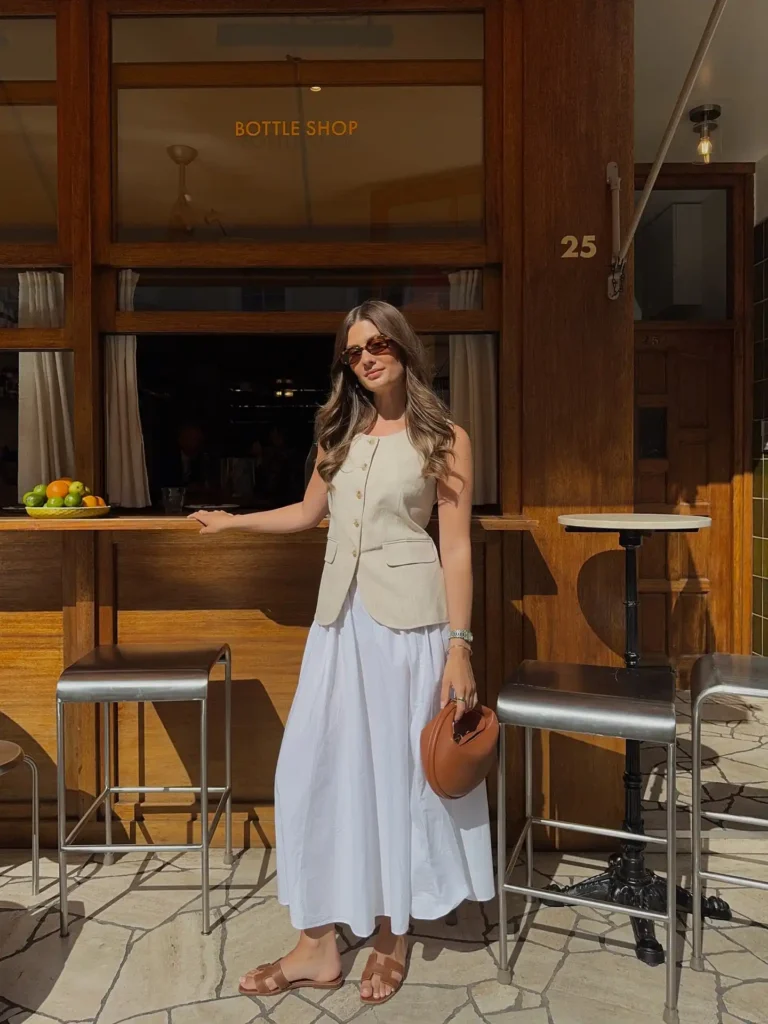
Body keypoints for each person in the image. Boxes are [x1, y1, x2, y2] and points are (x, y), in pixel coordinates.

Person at [190, 300, 494, 1005]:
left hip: (408, 631)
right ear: (348, 366)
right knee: (315, 771)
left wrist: (460, 646)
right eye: (356, 351)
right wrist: (232, 522)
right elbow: (306, 514)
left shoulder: (446, 439)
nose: (369, 357)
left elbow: (455, 548)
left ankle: (392, 934)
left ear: (405, 349)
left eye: (380, 343)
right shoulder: (341, 435)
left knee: (396, 777)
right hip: (338, 629)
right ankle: (317, 942)